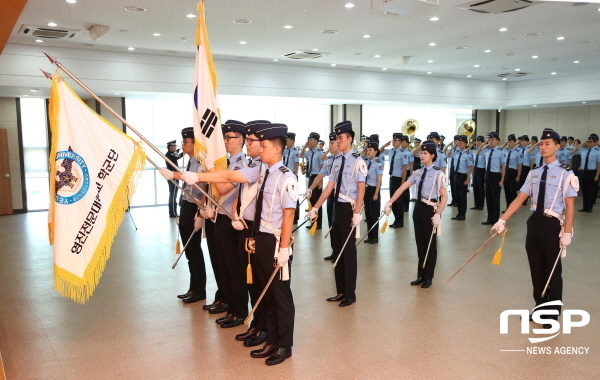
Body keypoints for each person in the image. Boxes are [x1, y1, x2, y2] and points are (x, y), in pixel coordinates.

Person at [491, 128, 576, 329]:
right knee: (536, 269)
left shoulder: (565, 173)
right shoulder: (534, 173)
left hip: (552, 224)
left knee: (553, 270)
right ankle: (539, 308)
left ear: (557, 146)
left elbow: (570, 205)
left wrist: (566, 233)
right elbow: (520, 199)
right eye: (541, 144)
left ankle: (552, 315)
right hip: (534, 223)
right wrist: (502, 219)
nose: (543, 147)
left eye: (547, 144)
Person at [309, 121, 366, 307]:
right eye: (336, 138)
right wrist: (315, 207)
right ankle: (340, 290)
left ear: (350, 139)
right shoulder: (336, 161)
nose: (337, 141)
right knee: (338, 249)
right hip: (336, 207)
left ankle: (350, 293)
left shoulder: (358, 161)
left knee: (348, 252)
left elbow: (361, 189)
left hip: (349, 209)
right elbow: (329, 187)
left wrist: (357, 213)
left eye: (340, 138)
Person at [385, 141, 448, 288]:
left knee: (430, 244)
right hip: (418, 208)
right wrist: (390, 202)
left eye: (425, 153)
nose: (422, 155)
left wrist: (438, 213)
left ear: (432, 155)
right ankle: (420, 274)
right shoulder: (417, 173)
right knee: (420, 243)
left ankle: (429, 277)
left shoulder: (439, 174)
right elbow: (402, 188)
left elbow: (444, 197)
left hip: (430, 209)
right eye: (421, 152)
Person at [160, 128, 206, 303]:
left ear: (195, 144)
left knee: (194, 250)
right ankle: (193, 287)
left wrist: (200, 213)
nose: (183, 144)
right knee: (189, 251)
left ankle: (199, 289)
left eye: (186, 141)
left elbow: (204, 188)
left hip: (194, 207)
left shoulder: (200, 162)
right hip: (186, 204)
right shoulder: (190, 161)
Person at [305, 133, 341, 260]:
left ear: (339, 143)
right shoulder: (330, 160)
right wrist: (310, 189)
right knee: (332, 224)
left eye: (332, 143)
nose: (329, 145)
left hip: (343, 197)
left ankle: (342, 253)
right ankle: (335, 251)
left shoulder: (347, 159)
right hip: (331, 196)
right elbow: (319, 176)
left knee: (341, 226)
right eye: (329, 143)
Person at [476, 132, 506, 225]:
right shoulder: (486, 150)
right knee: (488, 198)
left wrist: (502, 180)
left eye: (492, 139)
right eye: (489, 139)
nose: (491, 141)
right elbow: (478, 152)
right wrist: (484, 144)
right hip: (487, 175)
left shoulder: (501, 151)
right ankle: (489, 218)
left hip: (496, 175)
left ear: (498, 141)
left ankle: (495, 219)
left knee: (495, 198)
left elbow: (503, 166)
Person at [380, 133, 408, 228]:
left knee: (399, 201)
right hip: (392, 178)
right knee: (393, 200)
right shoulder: (391, 151)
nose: (393, 142)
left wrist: (403, 183)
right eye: (393, 140)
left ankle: (400, 222)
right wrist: (385, 145)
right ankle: (396, 220)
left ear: (400, 142)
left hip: (399, 179)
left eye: (395, 140)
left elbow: (404, 169)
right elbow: (379, 151)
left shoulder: (403, 153)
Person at [299, 132, 324, 230]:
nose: (310, 141)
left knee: (317, 201)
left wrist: (320, 182)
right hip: (310, 177)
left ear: (317, 141)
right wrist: (305, 145)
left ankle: (319, 224)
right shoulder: (309, 152)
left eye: (311, 140)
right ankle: (313, 222)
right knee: (311, 201)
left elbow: (322, 168)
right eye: (309, 139)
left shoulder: (320, 153)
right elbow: (301, 155)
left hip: (317, 178)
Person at [571, 134, 600, 213]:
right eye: (588, 141)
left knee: (591, 191)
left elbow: (599, 164)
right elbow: (573, 152)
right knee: (584, 190)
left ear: (596, 142)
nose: (589, 143)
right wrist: (581, 144)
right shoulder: (583, 149)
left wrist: (597, 175)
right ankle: (585, 207)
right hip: (583, 171)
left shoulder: (598, 151)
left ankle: (590, 207)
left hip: (592, 172)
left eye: (591, 142)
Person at [363, 141, 383, 243]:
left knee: (374, 215)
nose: (368, 151)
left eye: (370, 150)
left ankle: (375, 237)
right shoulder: (365, 162)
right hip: (366, 190)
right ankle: (369, 236)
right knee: (368, 214)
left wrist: (376, 193)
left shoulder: (378, 164)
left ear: (376, 151)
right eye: (367, 150)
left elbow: (379, 180)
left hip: (374, 189)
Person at [451, 135, 473, 221]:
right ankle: (459, 213)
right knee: (457, 195)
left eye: (461, 143)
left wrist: (468, 179)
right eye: (458, 142)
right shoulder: (456, 153)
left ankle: (463, 214)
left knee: (462, 196)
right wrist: (454, 146)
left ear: (465, 143)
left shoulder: (468, 155)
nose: (459, 144)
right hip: (456, 175)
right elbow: (448, 154)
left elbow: (470, 168)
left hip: (463, 176)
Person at [503, 134, 523, 210]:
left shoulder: (518, 152)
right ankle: (508, 207)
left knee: (512, 191)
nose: (509, 143)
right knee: (507, 191)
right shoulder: (505, 151)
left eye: (511, 142)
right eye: (508, 142)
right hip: (506, 172)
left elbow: (520, 165)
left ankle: (513, 208)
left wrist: (518, 176)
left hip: (513, 172)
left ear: (515, 142)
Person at [283, 132, 300, 223]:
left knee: (294, 196)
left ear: (292, 141)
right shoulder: (285, 151)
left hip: (292, 176)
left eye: (288, 140)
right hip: (285, 176)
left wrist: (295, 176)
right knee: (287, 195)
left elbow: (296, 165)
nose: (286, 142)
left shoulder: (295, 151)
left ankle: (295, 217)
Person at [165, 140, 183, 217]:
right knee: (173, 195)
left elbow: (176, 153)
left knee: (173, 194)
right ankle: (172, 213)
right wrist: (184, 152)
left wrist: (180, 149)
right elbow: (178, 156)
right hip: (173, 177)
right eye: (174, 146)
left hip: (173, 176)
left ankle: (173, 212)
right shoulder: (170, 154)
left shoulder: (170, 154)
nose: (175, 148)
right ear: (171, 147)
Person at [470, 136, 486, 211]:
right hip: (475, 169)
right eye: (477, 141)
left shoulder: (484, 150)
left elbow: (478, 153)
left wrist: (483, 145)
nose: (477, 143)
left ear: (482, 142)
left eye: (479, 141)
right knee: (475, 187)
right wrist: (472, 145)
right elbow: (466, 151)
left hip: (481, 169)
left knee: (481, 187)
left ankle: (481, 205)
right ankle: (476, 204)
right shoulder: (473, 150)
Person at [444, 135, 460, 207]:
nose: (456, 143)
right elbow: (446, 153)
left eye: (457, 141)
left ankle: (457, 201)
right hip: (452, 168)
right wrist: (451, 145)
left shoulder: (460, 150)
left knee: (457, 186)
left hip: (458, 169)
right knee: (453, 186)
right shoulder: (453, 149)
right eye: (455, 141)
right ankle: (453, 200)